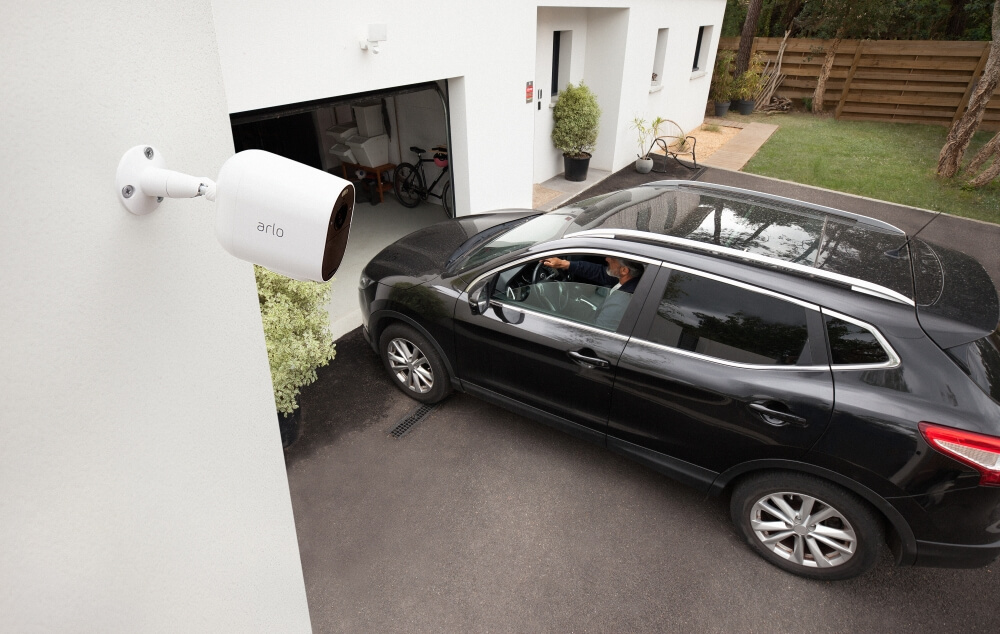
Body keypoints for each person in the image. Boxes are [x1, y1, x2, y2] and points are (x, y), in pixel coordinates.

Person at [538, 255, 643, 329]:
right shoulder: (631, 279)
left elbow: (599, 334)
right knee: (567, 305)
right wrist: (563, 264)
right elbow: (598, 272)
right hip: (599, 311)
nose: (607, 259)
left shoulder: (620, 304)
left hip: (597, 322)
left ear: (624, 270)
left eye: (612, 259)